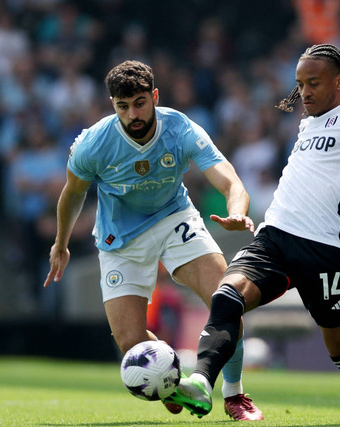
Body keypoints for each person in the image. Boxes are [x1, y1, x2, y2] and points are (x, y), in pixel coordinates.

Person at [166, 44, 340, 423]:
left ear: (339, 80)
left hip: (322, 251)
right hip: (274, 236)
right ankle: (200, 383)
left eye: (313, 83)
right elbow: (336, 160)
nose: (304, 92)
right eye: (300, 83)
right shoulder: (308, 123)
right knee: (226, 297)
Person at [43, 60, 264, 420]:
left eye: (140, 103)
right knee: (130, 343)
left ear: (155, 96)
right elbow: (72, 193)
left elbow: (229, 179)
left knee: (227, 299)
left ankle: (235, 393)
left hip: (174, 217)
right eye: (123, 106)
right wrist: (61, 243)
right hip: (120, 237)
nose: (133, 114)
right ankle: (172, 383)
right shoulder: (93, 144)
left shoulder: (180, 128)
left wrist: (237, 210)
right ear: (113, 105)